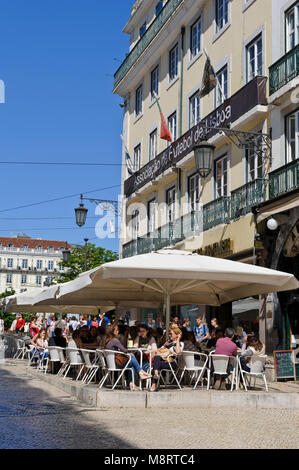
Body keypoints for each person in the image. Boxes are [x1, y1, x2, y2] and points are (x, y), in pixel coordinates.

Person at [103, 324, 151, 391]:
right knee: (131, 356)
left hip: (110, 364)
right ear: (112, 332)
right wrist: (130, 350)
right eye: (116, 330)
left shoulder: (107, 340)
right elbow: (124, 350)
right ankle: (140, 371)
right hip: (116, 364)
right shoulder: (115, 340)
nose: (118, 331)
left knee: (131, 364)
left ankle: (132, 383)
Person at [150, 325, 184, 392]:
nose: (169, 335)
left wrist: (178, 339)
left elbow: (178, 351)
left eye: (171, 334)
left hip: (172, 363)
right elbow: (160, 350)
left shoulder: (180, 343)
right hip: (163, 361)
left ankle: (154, 384)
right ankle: (156, 374)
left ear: (177, 334)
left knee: (155, 366)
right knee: (157, 358)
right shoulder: (167, 342)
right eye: (169, 334)